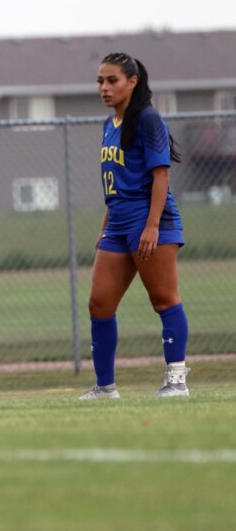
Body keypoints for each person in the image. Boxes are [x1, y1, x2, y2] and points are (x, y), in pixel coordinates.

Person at [80, 53, 190, 400]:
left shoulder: (147, 120)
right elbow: (114, 184)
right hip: (118, 223)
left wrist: (152, 226)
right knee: (99, 304)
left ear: (132, 82)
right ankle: (105, 387)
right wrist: (104, 226)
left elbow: (161, 176)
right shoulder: (108, 124)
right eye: (100, 80)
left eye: (112, 80)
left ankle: (177, 380)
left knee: (163, 299)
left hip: (151, 220)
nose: (104, 87)